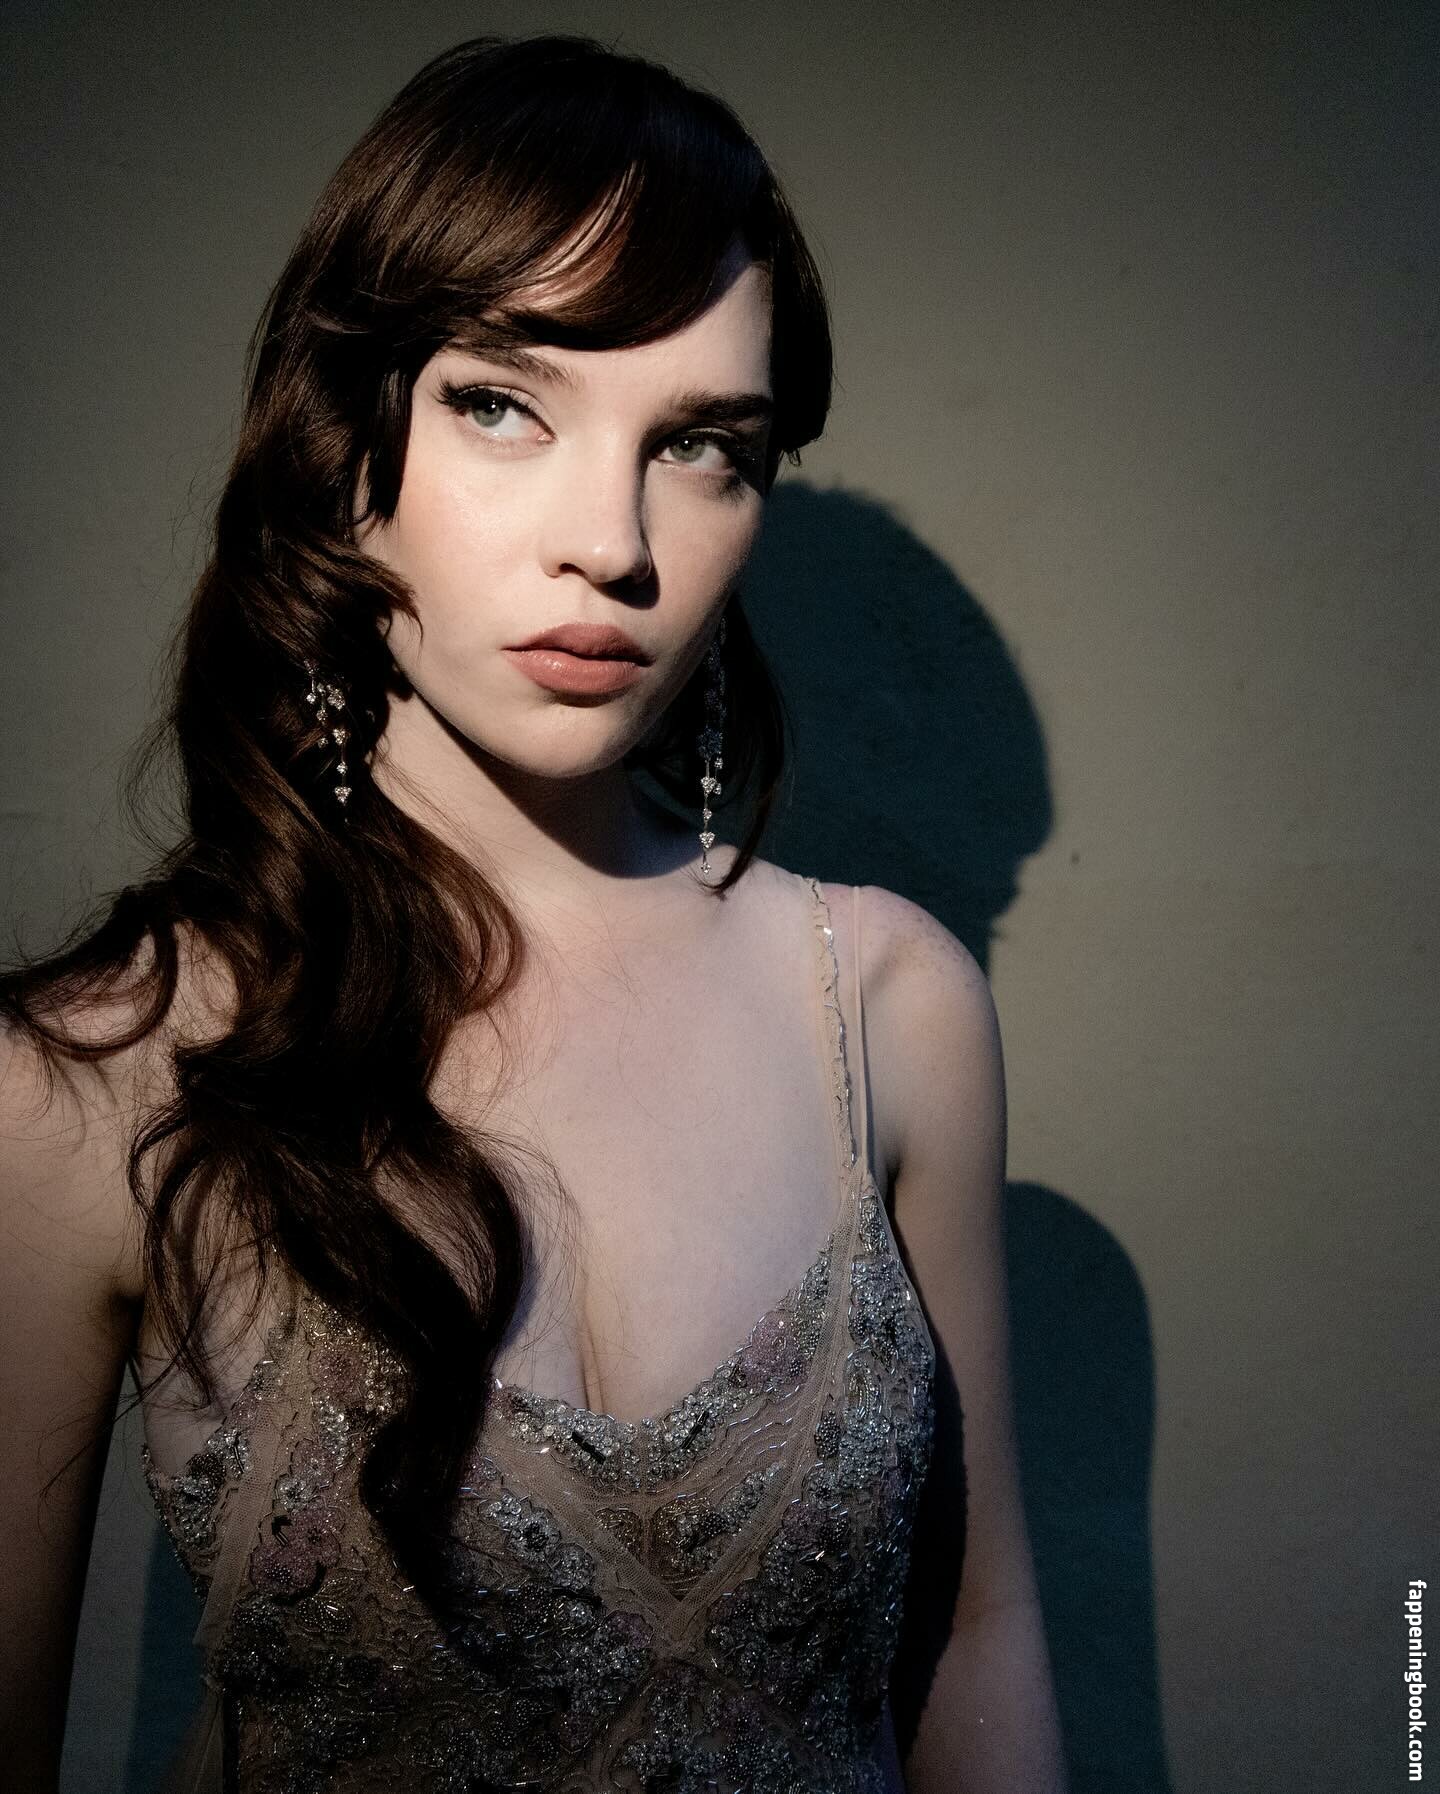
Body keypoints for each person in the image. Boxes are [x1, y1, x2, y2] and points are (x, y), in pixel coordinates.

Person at [0, 31, 1068, 1794]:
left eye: (702, 445)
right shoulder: (93, 1069)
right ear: (346, 436)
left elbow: (979, 1631)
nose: (613, 542)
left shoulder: (889, 1002)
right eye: (503, 403)